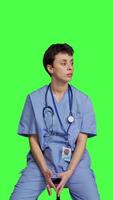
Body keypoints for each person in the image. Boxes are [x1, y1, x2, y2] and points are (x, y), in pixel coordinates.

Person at [10, 43, 100, 200]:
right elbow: (33, 139)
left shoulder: (83, 100)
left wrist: (70, 171)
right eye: (64, 63)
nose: (70, 67)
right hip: (42, 162)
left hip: (75, 163)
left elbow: (81, 141)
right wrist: (45, 170)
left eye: (72, 62)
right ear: (50, 68)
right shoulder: (34, 99)